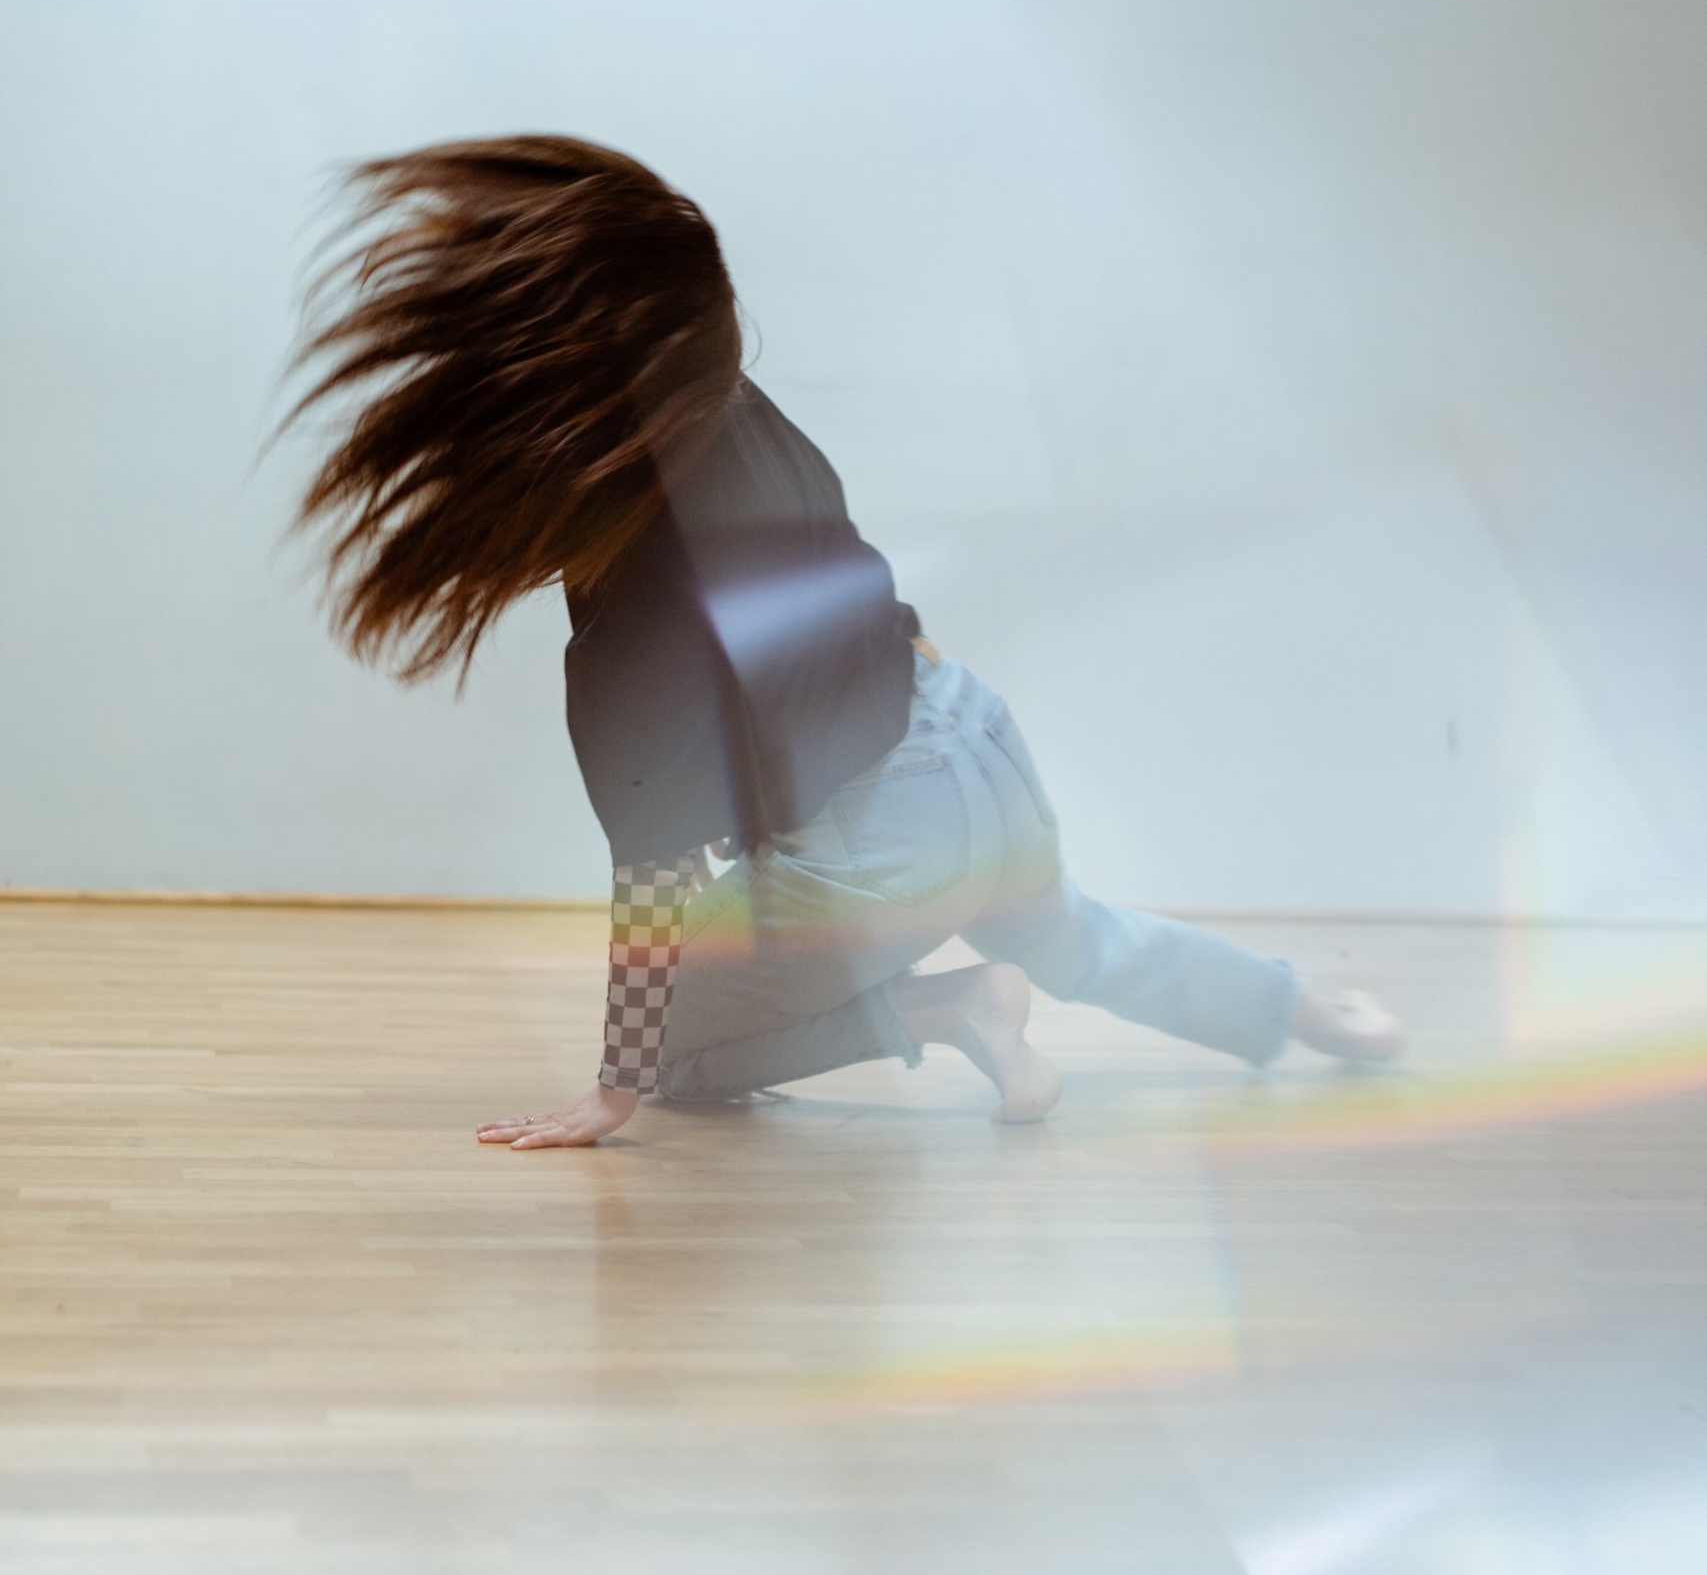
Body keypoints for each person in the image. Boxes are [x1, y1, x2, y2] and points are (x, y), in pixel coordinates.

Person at [287, 135, 1400, 1150]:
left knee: (671, 1049)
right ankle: (1309, 1011)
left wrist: (616, 1087)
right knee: (1083, 940)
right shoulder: (731, 406)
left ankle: (950, 1006)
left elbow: (656, 868)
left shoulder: (635, 592)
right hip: (966, 732)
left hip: (883, 842)